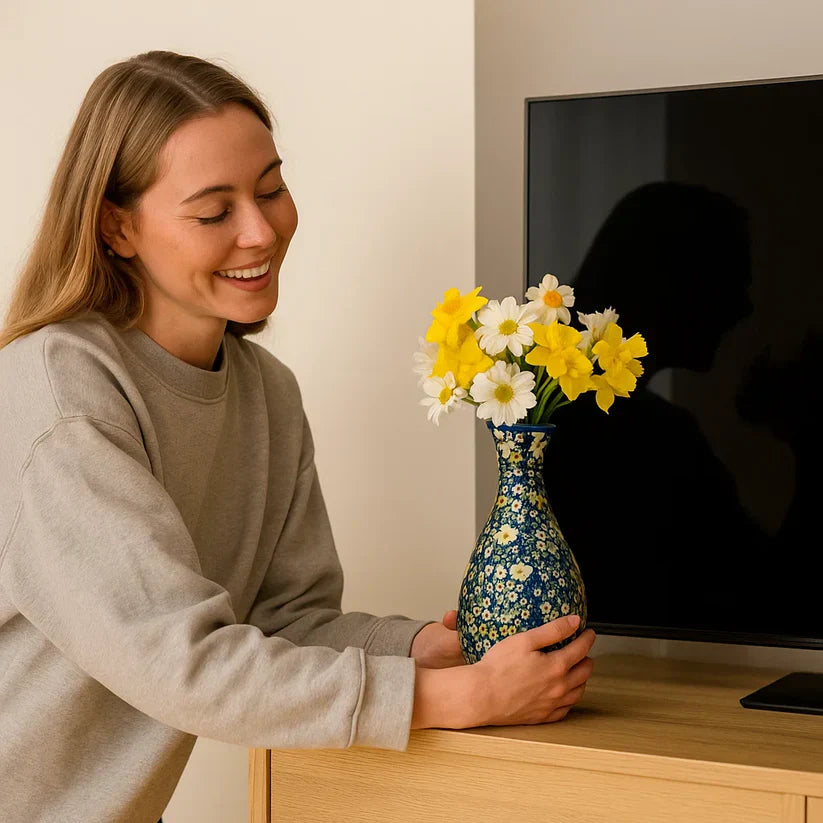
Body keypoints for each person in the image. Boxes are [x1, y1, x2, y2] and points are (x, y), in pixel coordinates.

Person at [0, 50, 596, 823]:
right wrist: (455, 696)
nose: (260, 231)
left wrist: (419, 649)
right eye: (214, 211)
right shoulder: (59, 395)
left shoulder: (265, 395)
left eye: (272, 189)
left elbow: (281, 620)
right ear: (117, 226)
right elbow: (179, 660)